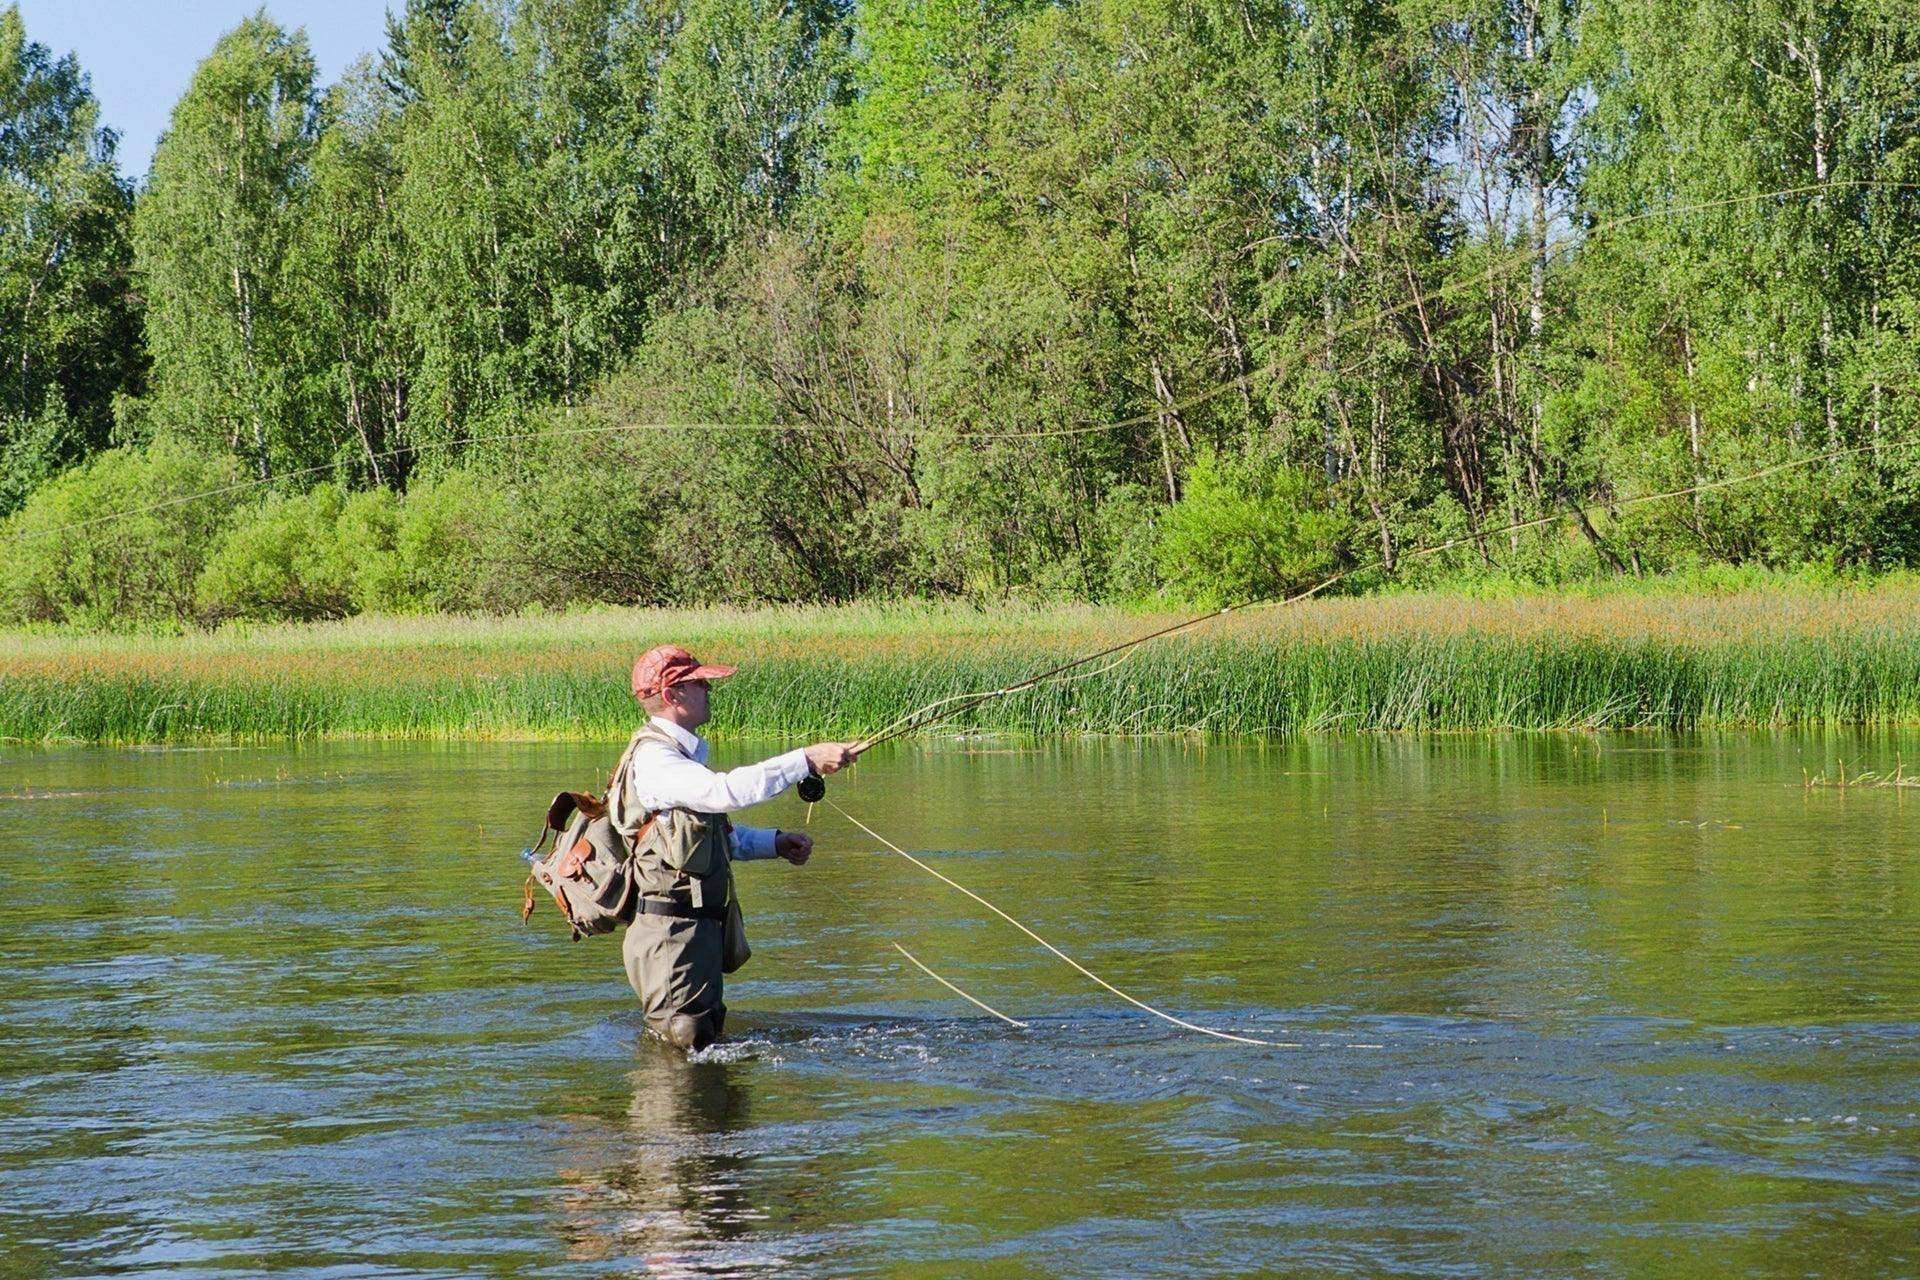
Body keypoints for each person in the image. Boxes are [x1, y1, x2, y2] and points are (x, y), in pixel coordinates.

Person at [612, 643, 857, 1050]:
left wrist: (774, 844)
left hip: (693, 932)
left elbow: (712, 835)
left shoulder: (677, 757)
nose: (709, 689)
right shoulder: (656, 759)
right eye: (699, 683)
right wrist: (805, 760)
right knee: (684, 1047)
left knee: (700, 1041)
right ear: (673, 695)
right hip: (672, 936)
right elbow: (724, 792)